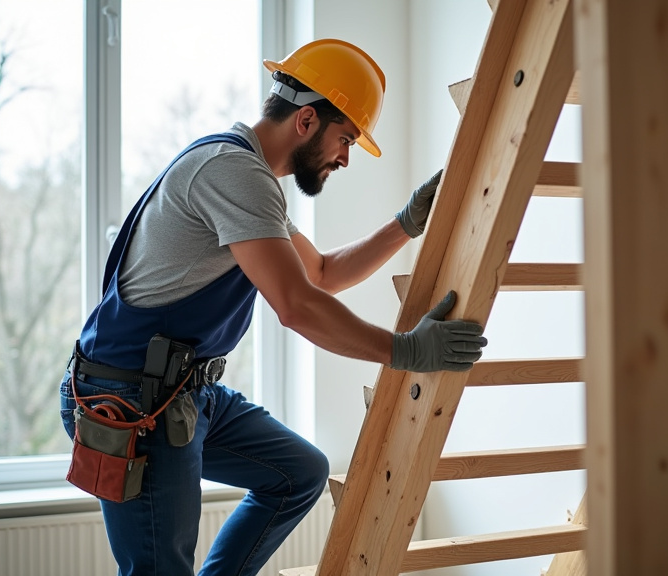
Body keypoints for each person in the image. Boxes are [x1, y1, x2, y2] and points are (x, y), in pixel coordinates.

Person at [59, 38, 487, 576]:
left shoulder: (250, 178)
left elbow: (323, 274)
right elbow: (297, 306)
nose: (345, 159)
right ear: (306, 119)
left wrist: (405, 224)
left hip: (182, 392)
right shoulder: (233, 173)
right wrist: (405, 351)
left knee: (298, 473)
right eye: (345, 139)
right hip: (127, 402)